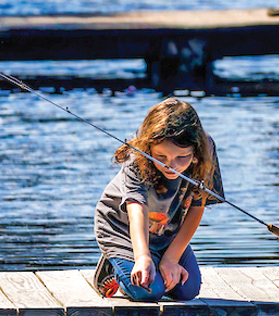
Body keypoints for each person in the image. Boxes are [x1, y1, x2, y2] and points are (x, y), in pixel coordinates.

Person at [93, 98, 223, 301]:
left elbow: (197, 207)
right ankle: (114, 265)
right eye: (161, 157)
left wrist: (171, 259)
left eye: (182, 157)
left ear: (196, 152)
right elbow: (137, 209)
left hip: (165, 231)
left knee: (186, 290)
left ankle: (156, 259)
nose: (172, 166)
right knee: (149, 291)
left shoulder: (206, 148)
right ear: (149, 148)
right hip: (123, 228)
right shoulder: (137, 155)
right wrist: (142, 257)